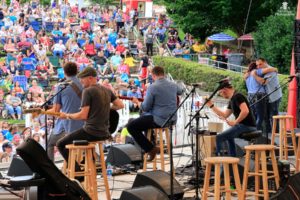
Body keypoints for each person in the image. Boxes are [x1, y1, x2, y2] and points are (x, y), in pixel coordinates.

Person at [57, 67, 124, 174]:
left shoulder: (88, 91)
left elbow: (83, 115)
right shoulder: (106, 90)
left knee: (60, 144)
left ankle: (78, 173)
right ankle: (85, 166)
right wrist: (105, 107)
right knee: (80, 145)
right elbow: (120, 105)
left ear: (90, 78)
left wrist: (67, 116)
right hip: (105, 132)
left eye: (82, 79)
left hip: (91, 131)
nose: (81, 82)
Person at [127, 66, 183, 161]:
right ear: (163, 74)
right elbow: (181, 91)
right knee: (144, 120)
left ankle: (150, 148)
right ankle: (151, 145)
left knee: (131, 126)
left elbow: (145, 107)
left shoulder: (153, 87)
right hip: (172, 119)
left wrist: (137, 102)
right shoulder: (173, 85)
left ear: (153, 75)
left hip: (160, 120)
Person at [205, 78, 256, 157]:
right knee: (229, 136)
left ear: (225, 89)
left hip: (246, 126)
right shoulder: (232, 99)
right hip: (243, 125)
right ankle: (232, 159)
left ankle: (220, 164)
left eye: (220, 92)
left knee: (219, 137)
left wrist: (235, 122)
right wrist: (211, 105)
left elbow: (245, 111)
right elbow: (224, 115)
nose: (221, 94)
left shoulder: (237, 96)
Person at [47, 62, 84, 161]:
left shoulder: (61, 86)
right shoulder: (84, 84)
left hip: (68, 125)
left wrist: (42, 111)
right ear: (77, 71)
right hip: (84, 126)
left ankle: (52, 170)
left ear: (64, 72)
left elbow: (56, 110)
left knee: (50, 143)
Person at [253, 58, 282, 134]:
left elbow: (264, 82)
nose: (258, 66)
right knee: (267, 115)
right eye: (257, 65)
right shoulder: (263, 71)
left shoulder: (271, 71)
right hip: (268, 96)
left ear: (265, 62)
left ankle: (276, 133)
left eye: (260, 64)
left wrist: (254, 75)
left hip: (274, 96)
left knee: (273, 115)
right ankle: (269, 133)